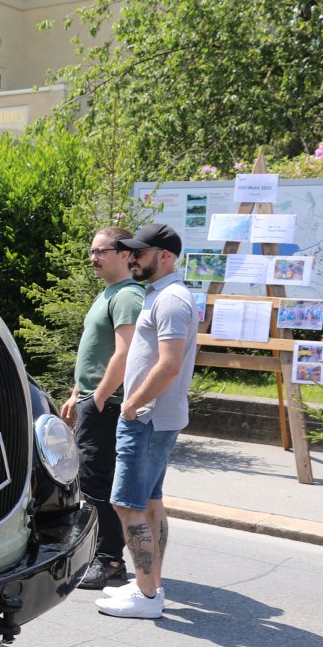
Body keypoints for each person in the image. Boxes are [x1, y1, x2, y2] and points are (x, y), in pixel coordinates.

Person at [95, 222, 199, 619]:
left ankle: (147, 595)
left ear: (165, 256)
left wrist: (132, 403)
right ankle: (149, 585)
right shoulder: (162, 294)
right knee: (151, 501)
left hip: (147, 418)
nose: (132, 258)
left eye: (139, 252)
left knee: (126, 505)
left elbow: (169, 364)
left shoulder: (170, 300)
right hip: (154, 418)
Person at [61, 226, 145, 589]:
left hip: (107, 404)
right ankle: (96, 553)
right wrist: (77, 393)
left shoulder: (127, 296)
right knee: (90, 479)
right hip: (93, 399)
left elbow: (125, 354)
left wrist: (97, 398)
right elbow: (95, 351)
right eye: (91, 251)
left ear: (125, 254)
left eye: (101, 252)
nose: (93, 258)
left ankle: (109, 561)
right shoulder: (108, 292)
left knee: (99, 483)